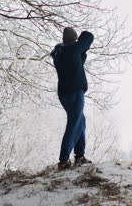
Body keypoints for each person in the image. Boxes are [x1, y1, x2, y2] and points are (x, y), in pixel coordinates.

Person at [51, 27, 94, 170]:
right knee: (74, 123)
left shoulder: (60, 53)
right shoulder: (72, 49)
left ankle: (79, 156)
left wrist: (81, 51)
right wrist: (80, 40)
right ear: (73, 39)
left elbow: (78, 63)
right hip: (75, 92)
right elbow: (88, 37)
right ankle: (64, 160)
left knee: (80, 121)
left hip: (65, 93)